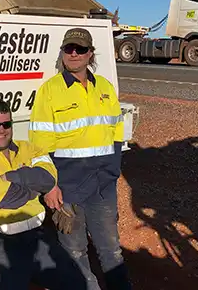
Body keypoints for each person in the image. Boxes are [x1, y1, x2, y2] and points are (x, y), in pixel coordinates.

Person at [28, 28, 132, 290]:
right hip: (67, 190)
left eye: (80, 49)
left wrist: (112, 170)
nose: (74, 54)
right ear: (62, 53)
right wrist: (49, 186)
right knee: (74, 253)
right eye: (69, 49)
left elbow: (116, 133)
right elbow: (39, 146)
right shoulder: (49, 91)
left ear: (90, 54)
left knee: (112, 251)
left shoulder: (105, 88)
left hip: (102, 187)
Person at [0, 98, 88, 290]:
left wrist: (12, 177)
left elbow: (48, 179)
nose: (1, 129)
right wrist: (38, 185)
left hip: (35, 236)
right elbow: (3, 198)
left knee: (76, 283)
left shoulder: (28, 148)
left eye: (6, 123)